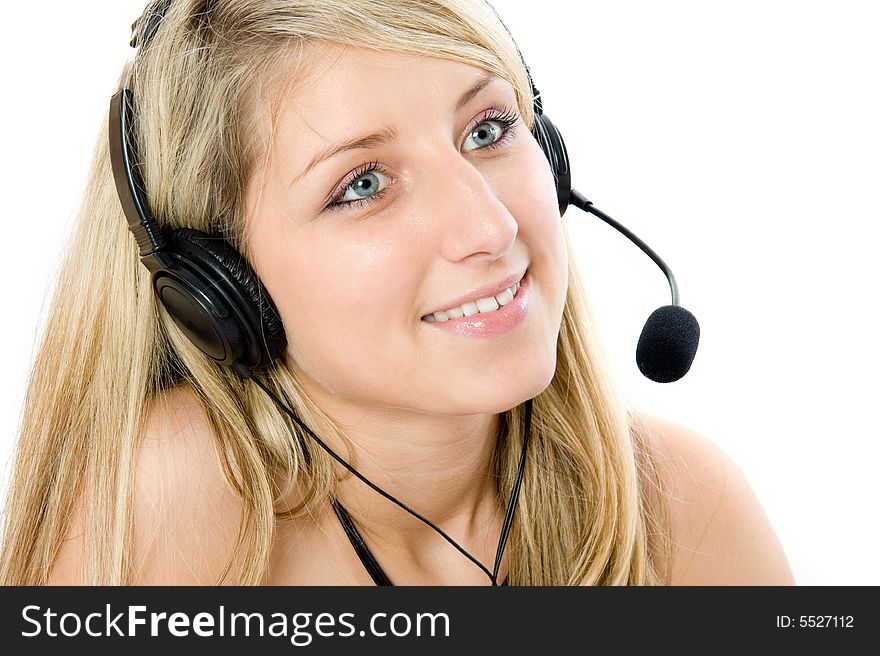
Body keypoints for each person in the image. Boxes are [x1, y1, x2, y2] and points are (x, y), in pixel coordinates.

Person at [0, 0, 794, 586]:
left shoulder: (678, 504)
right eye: (364, 184)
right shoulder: (182, 503)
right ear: (219, 287)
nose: (487, 227)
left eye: (486, 130)